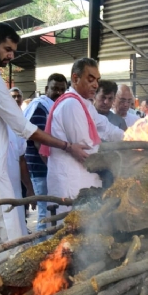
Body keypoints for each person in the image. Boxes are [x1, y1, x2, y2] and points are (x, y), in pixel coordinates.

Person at [0, 23, 89, 265]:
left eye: (13, 51)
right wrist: (67, 146)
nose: (11, 56)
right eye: (7, 49)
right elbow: (23, 127)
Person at [43, 58, 124, 215]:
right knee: (68, 232)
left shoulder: (85, 104)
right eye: (90, 79)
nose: (95, 84)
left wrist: (131, 136)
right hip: (71, 183)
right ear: (75, 78)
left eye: (97, 80)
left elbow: (106, 127)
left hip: (81, 181)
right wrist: (116, 159)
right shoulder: (71, 104)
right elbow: (86, 149)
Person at [23, 73, 68, 232]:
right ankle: (41, 249)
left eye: (62, 90)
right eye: (55, 88)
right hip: (42, 169)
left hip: (48, 168)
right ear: (46, 89)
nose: (58, 93)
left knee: (52, 209)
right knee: (45, 212)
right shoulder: (40, 108)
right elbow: (38, 143)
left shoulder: (54, 108)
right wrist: (53, 170)